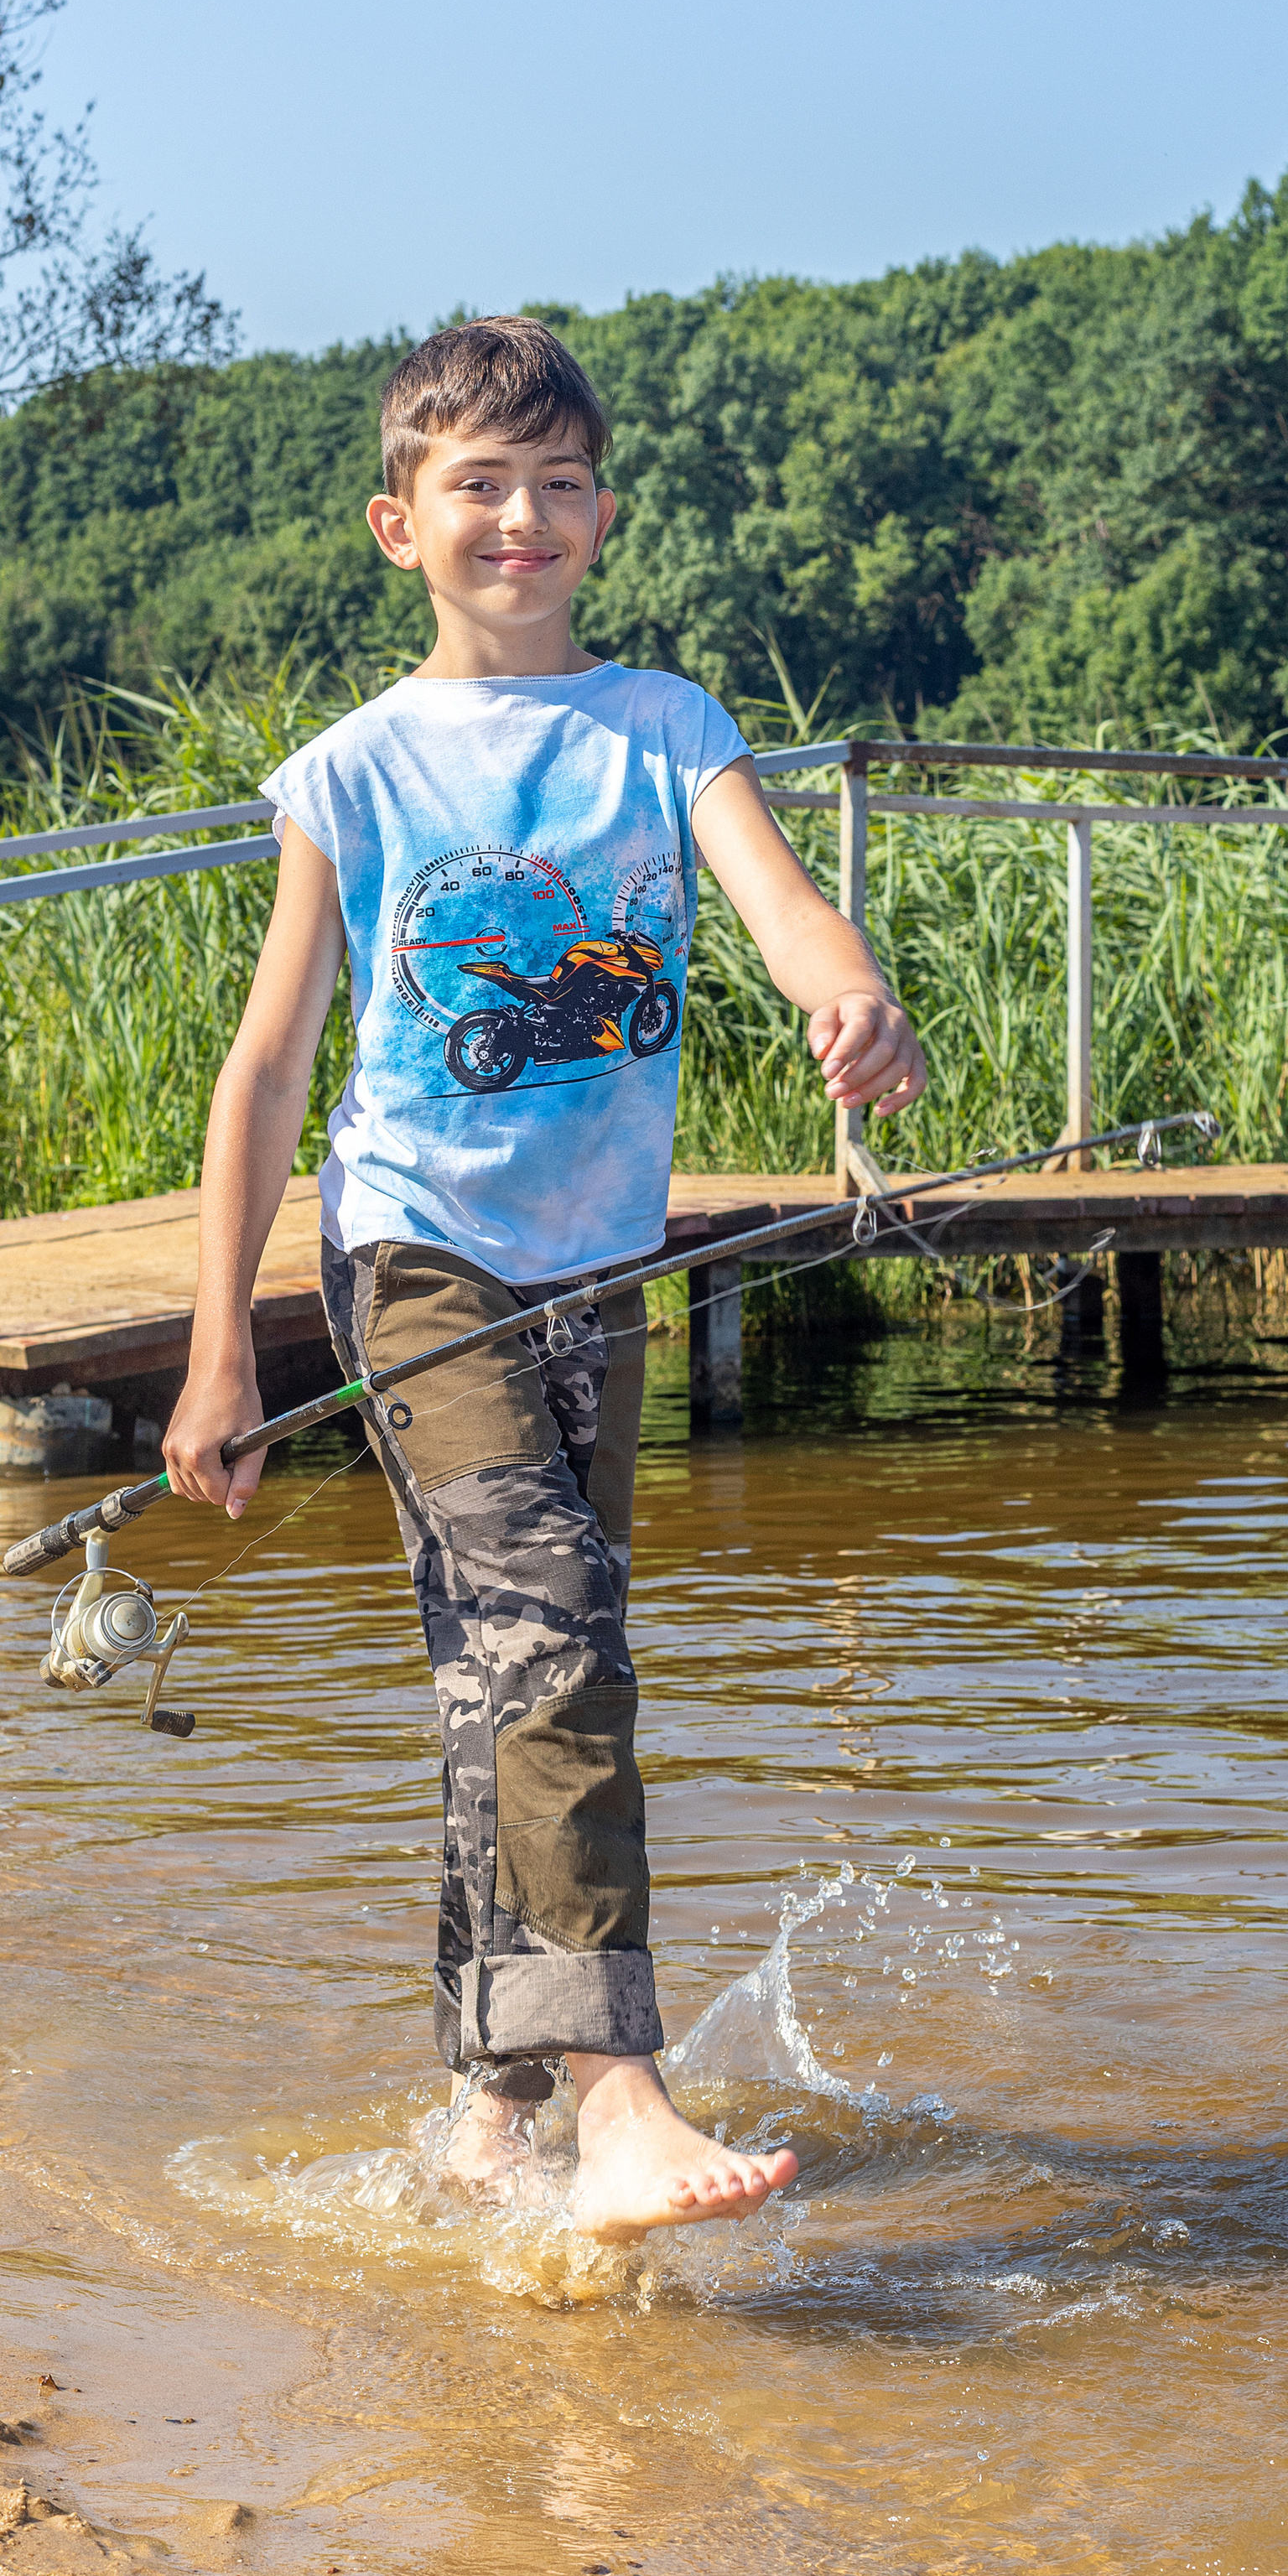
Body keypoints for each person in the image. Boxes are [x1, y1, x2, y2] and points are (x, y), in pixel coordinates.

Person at [162, 316, 925, 2240]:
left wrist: (846, 993)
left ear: (603, 514)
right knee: (556, 1636)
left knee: (500, 1672)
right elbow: (264, 1070)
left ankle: (483, 2114)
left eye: (559, 484)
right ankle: (615, 2095)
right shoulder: (352, 770)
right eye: (478, 487)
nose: (524, 517)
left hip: (594, 1270)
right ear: (395, 522)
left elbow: (776, 904)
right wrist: (212, 1359)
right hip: (410, 1254)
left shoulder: (664, 727)